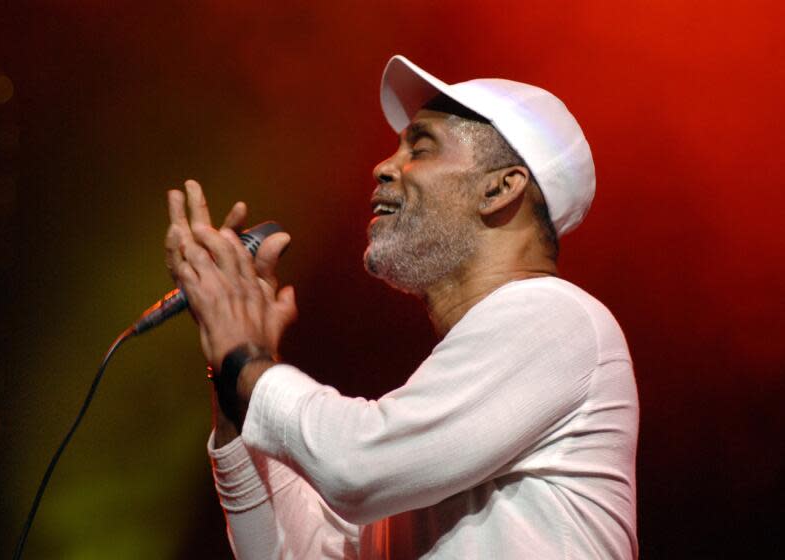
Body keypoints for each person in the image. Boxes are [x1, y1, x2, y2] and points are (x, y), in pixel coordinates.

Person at [164, 55, 639, 559]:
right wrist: (233, 382)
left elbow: (355, 465)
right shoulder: (429, 430)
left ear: (500, 188)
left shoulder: (557, 319)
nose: (384, 166)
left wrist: (247, 361)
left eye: (421, 147)